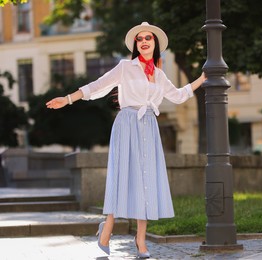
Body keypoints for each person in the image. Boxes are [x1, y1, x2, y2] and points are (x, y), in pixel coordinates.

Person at [46, 22, 206, 258]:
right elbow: (97, 86)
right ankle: (107, 226)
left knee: (146, 181)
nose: (143, 41)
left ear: (155, 43)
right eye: (139, 39)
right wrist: (68, 99)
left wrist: (203, 77)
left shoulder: (160, 75)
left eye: (148, 38)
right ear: (136, 45)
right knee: (122, 176)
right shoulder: (125, 67)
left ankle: (141, 240)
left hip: (149, 126)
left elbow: (180, 96)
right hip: (127, 124)